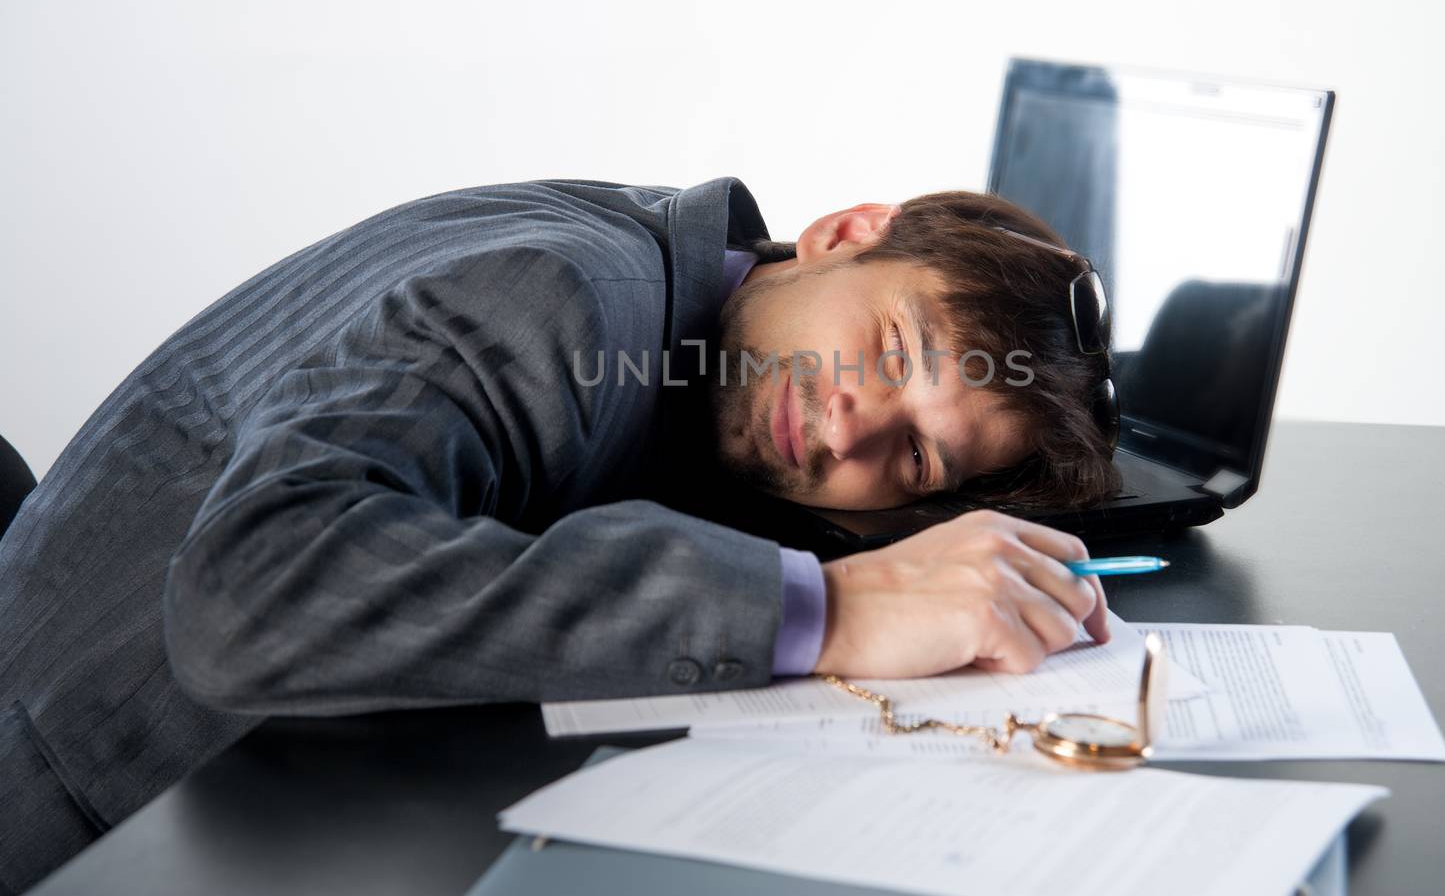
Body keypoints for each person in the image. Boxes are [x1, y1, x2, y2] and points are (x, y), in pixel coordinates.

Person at [0, 177, 1118, 892]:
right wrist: (837, 607)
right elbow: (252, 592)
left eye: (917, 457)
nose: (850, 423)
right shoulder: (563, 297)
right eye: (888, 350)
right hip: (72, 817)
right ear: (843, 233)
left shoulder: (683, 306)